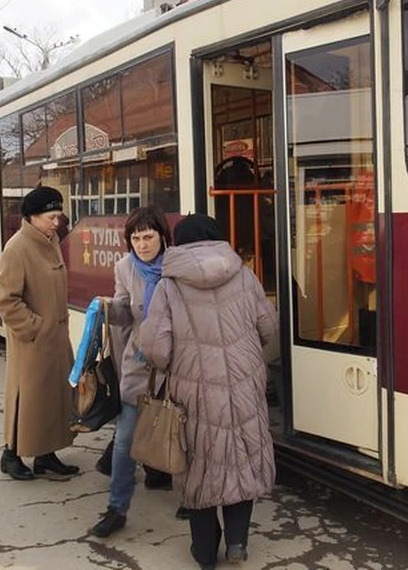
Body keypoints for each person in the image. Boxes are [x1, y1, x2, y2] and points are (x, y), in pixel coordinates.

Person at [139, 214, 277, 570]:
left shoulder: (170, 285)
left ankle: (204, 554)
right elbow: (267, 325)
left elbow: (157, 348)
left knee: (199, 468)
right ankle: (237, 544)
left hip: (194, 390)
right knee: (241, 461)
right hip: (244, 381)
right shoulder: (244, 274)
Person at [90, 205, 173, 539]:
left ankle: (193, 500)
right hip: (138, 365)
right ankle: (117, 508)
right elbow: (125, 313)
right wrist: (111, 310)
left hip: (174, 364)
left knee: (183, 435)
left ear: (162, 237)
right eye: (136, 238)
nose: (142, 245)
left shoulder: (177, 264)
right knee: (124, 442)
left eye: (148, 237)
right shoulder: (124, 267)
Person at [0, 187, 78, 481]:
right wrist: (36, 328)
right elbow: (6, 299)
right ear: (32, 217)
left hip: (54, 339)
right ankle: (10, 454)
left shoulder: (50, 240)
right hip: (33, 342)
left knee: (53, 399)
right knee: (26, 399)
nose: (57, 222)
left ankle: (45, 454)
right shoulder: (17, 248)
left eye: (59, 216)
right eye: (51, 217)